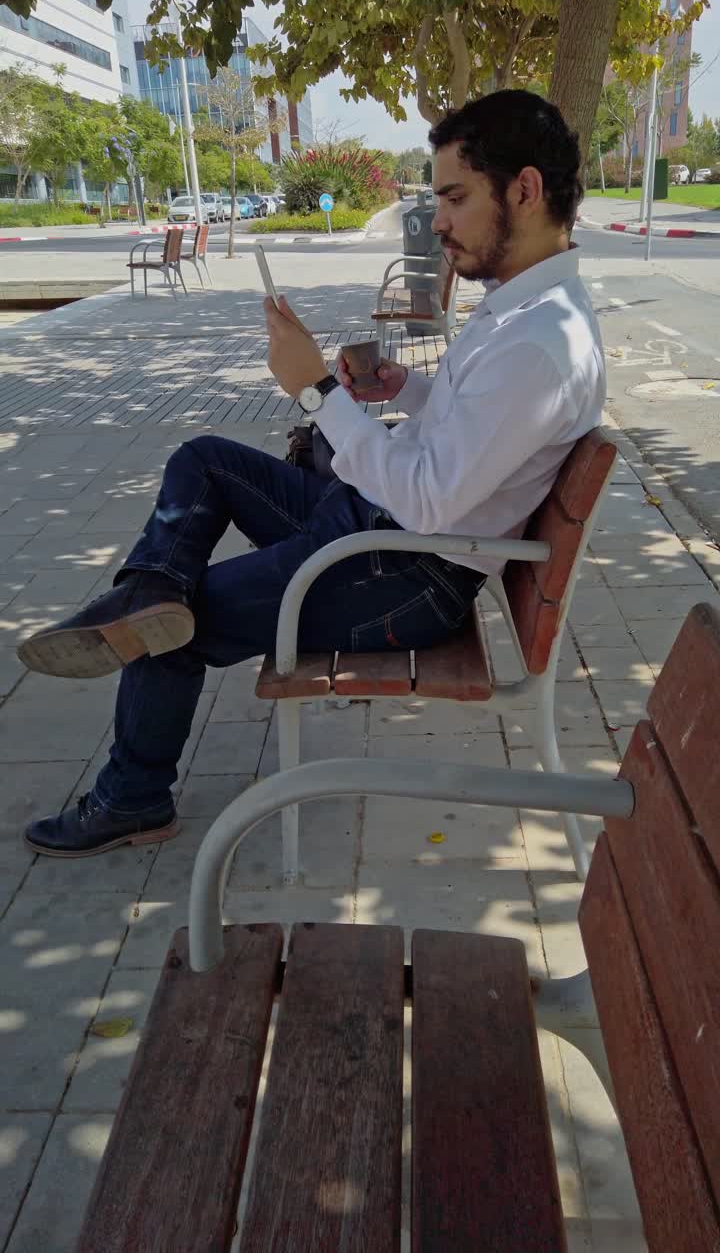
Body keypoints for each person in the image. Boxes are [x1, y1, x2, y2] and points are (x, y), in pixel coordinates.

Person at [17, 89, 605, 858]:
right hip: (379, 530)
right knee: (204, 460)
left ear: (524, 190)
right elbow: (476, 440)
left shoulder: (539, 343)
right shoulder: (528, 314)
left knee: (180, 625)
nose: (438, 221)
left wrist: (318, 392)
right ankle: (147, 590)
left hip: (402, 571)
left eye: (455, 198)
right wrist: (405, 390)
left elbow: (432, 497)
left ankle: (133, 792)